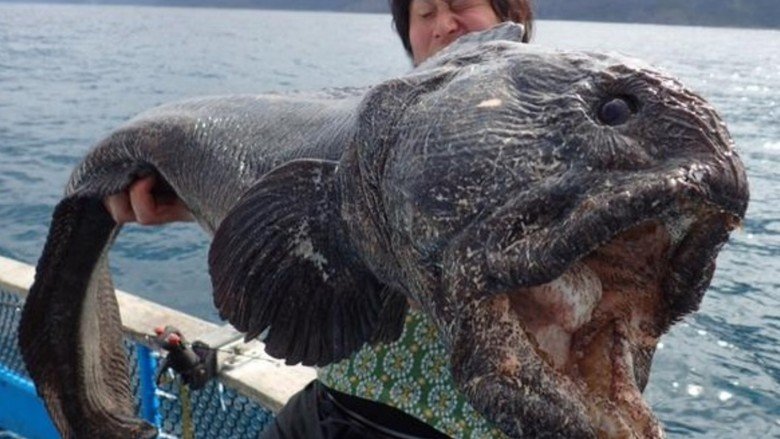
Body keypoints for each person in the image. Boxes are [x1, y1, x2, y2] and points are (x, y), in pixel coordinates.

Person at [105, 1, 534, 437]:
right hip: (329, 409)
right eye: (424, 14)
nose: (443, 25)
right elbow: (319, 227)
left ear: (512, 17)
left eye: (462, 4)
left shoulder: (550, 133)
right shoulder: (370, 137)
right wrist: (190, 198)